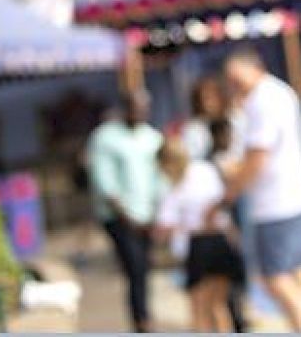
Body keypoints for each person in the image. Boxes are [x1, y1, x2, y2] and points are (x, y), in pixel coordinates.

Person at [223, 48, 301, 332]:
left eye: (235, 76)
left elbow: (257, 157)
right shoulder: (278, 92)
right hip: (293, 197)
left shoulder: (262, 100)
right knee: (299, 272)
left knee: (276, 279)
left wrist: (233, 187)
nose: (232, 82)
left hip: (275, 203)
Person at [85, 89, 163, 333]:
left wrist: (157, 214)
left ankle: (144, 316)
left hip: (147, 216)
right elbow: (104, 183)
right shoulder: (105, 137)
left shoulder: (151, 137)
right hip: (120, 218)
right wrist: (129, 218)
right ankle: (142, 322)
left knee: (144, 269)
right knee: (135, 267)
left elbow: (159, 178)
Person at [155, 137, 246, 333]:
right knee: (219, 306)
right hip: (222, 240)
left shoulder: (174, 188)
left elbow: (163, 228)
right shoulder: (205, 169)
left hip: (198, 245)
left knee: (199, 310)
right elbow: (222, 200)